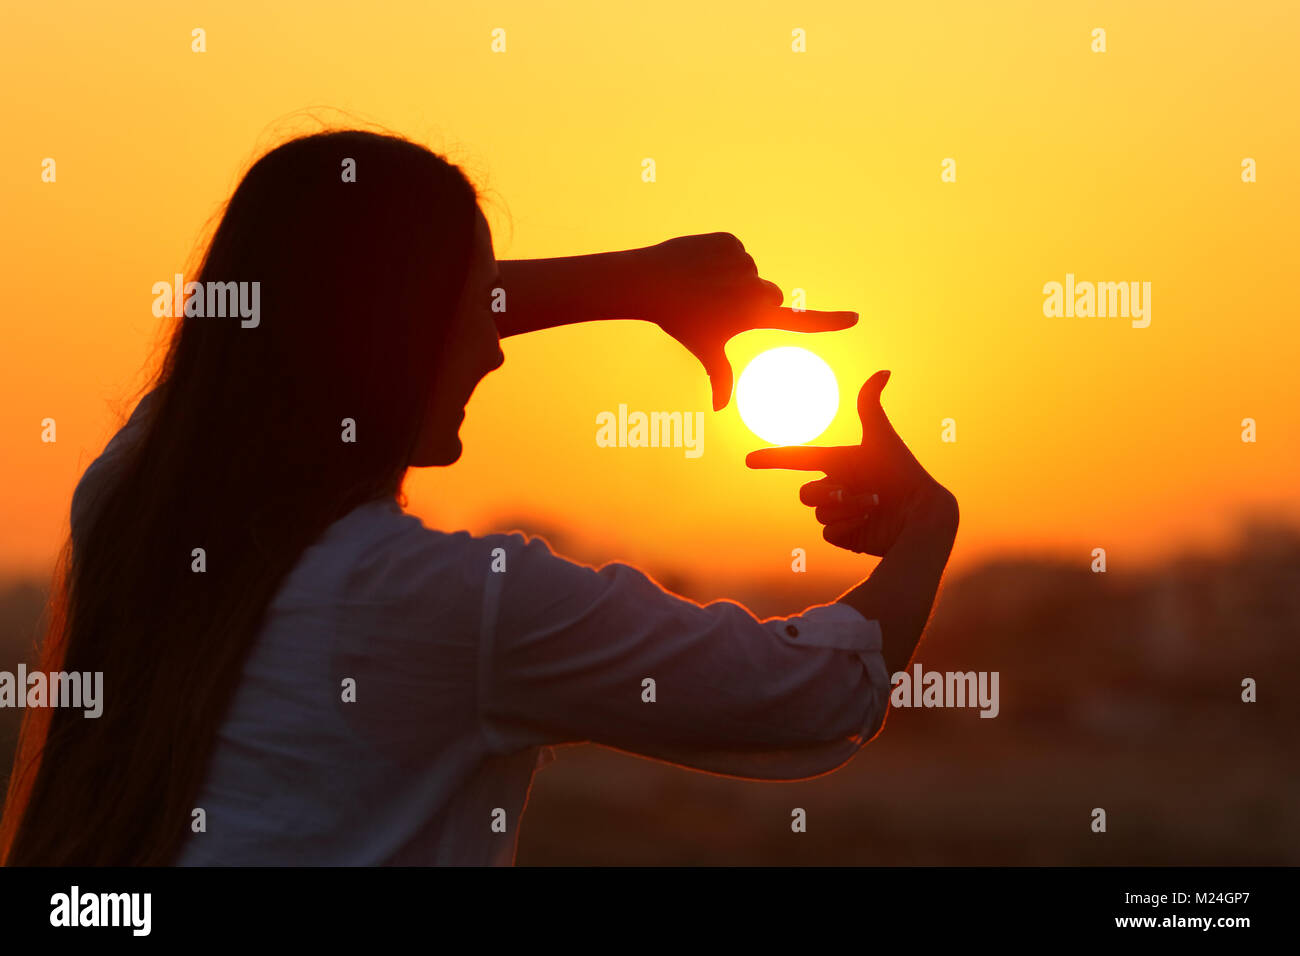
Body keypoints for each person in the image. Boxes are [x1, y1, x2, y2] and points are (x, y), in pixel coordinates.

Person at [0, 129, 958, 866]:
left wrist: (639, 282)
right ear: (403, 335)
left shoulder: (133, 496)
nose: (495, 345)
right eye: (472, 308)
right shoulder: (444, 603)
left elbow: (283, 331)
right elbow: (807, 693)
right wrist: (925, 525)